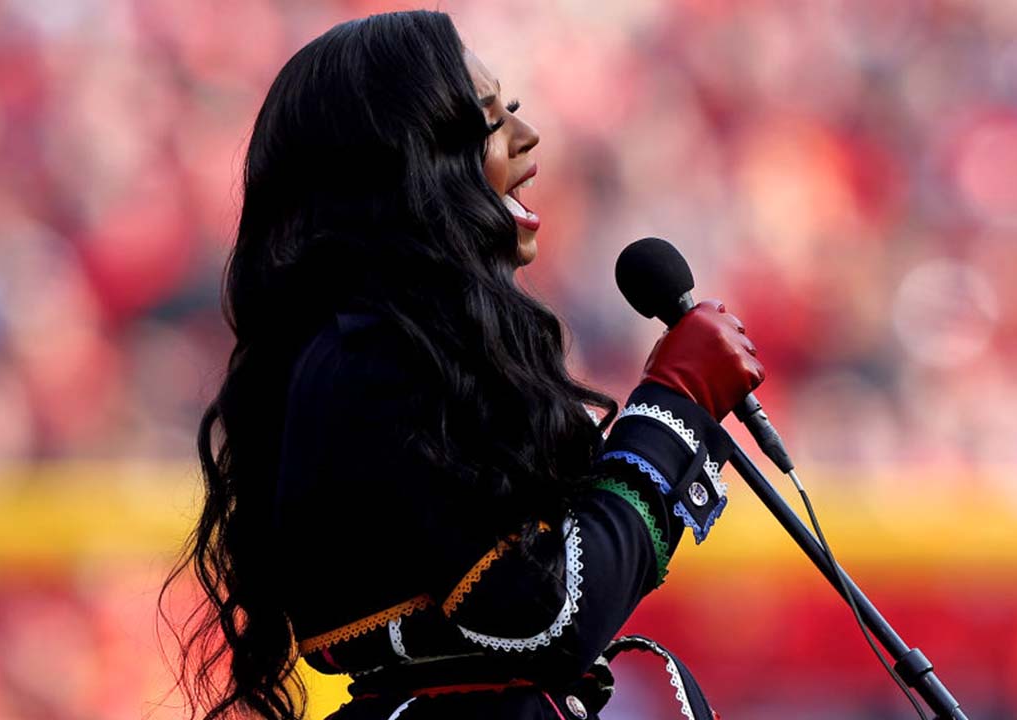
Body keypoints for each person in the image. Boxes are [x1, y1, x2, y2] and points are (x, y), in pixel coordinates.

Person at [164, 11, 764, 720]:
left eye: (511, 109)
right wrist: (674, 406)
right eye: (485, 121)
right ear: (401, 164)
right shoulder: (373, 359)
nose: (526, 136)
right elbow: (542, 617)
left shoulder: (384, 352)